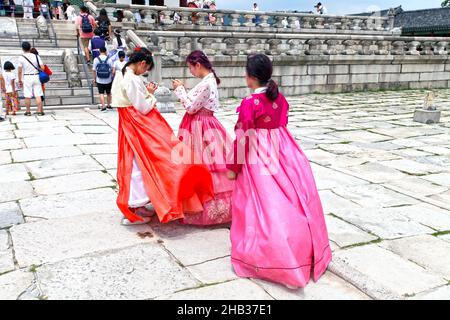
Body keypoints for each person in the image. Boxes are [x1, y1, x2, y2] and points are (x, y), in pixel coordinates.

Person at [226, 54, 332, 289]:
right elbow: (281, 122)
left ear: (251, 77)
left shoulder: (249, 104)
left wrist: (233, 167)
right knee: (291, 198)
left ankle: (273, 256)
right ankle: (304, 248)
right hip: (284, 151)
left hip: (259, 155)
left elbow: (243, 138)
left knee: (262, 204)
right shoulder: (280, 98)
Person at [111, 47, 214, 226]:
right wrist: (151, 96)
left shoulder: (121, 74)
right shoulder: (132, 79)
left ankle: (139, 205)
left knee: (136, 163)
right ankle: (137, 206)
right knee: (151, 160)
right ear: (142, 63)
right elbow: (143, 107)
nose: (145, 73)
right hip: (139, 125)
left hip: (129, 124)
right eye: (146, 69)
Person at [172, 50, 233, 226]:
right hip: (205, 124)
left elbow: (191, 107)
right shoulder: (209, 80)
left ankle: (202, 207)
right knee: (207, 163)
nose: (191, 71)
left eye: (191, 67)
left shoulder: (207, 83)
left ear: (197, 65)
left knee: (201, 163)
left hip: (200, 126)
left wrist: (180, 90)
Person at [18, 41, 45, 116]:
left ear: (23, 49)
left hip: (27, 77)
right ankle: (39, 111)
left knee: (27, 95)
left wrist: (20, 79)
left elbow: (20, 70)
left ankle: (28, 111)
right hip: (36, 76)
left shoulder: (21, 57)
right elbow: (42, 68)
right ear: (30, 48)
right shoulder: (36, 56)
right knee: (38, 94)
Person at [92, 47, 113, 112]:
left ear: (99, 51)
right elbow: (112, 69)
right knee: (108, 93)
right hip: (108, 79)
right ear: (105, 51)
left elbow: (94, 70)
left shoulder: (96, 59)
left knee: (101, 93)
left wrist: (94, 79)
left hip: (99, 79)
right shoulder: (109, 59)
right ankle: (109, 105)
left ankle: (103, 107)